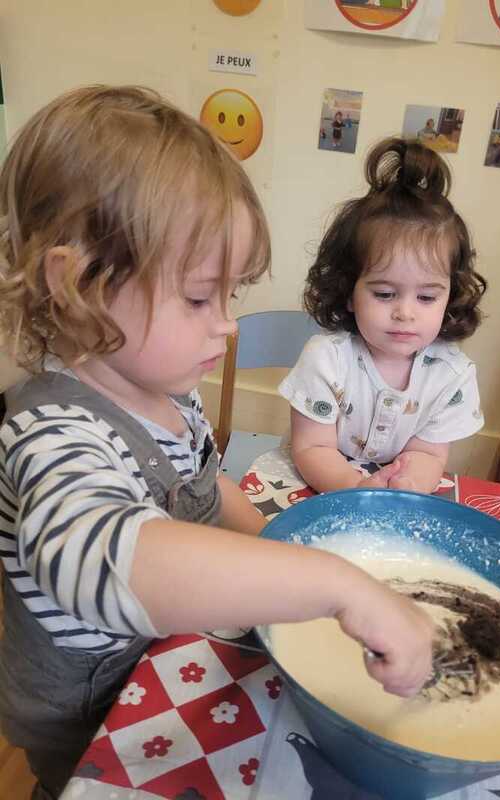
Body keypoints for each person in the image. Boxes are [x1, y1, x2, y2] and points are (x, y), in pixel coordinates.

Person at [0, 87, 433, 799]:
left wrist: (281, 548)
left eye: (231, 295)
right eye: (201, 297)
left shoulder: (169, 392)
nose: (227, 323)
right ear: (78, 287)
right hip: (92, 722)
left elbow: (204, 489)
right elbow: (104, 556)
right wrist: (337, 585)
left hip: (176, 659)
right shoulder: (51, 431)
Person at [280, 137, 487, 495]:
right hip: (319, 485)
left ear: (449, 296)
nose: (405, 313)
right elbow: (312, 448)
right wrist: (358, 488)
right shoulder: (326, 359)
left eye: (426, 297)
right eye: (385, 294)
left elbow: (428, 454)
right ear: (349, 292)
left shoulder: (452, 376)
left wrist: (406, 486)